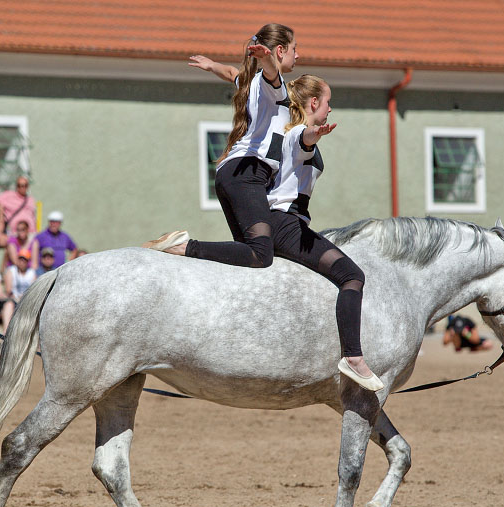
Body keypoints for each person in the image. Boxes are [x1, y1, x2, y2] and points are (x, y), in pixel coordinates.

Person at [154, 39, 383, 390]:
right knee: (352, 276)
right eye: (328, 103)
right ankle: (353, 356)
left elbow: (237, 76)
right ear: (313, 103)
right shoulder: (293, 135)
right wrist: (313, 134)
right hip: (285, 224)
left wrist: (214, 66)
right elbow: (303, 141)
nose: (331, 111)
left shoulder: (280, 123)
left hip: (285, 222)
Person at [0, 175, 37, 243]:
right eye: (20, 185)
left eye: (25, 185)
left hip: (30, 232)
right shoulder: (8, 195)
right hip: (15, 232)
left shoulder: (30, 200)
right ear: (16, 186)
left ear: (28, 186)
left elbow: (33, 217)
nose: (22, 188)